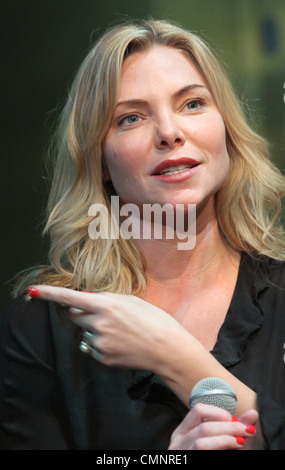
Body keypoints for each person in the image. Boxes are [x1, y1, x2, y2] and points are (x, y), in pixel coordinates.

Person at [1, 19, 285, 451]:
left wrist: (172, 353)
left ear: (225, 126)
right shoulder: (43, 326)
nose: (170, 133)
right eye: (131, 118)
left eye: (192, 104)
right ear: (98, 159)